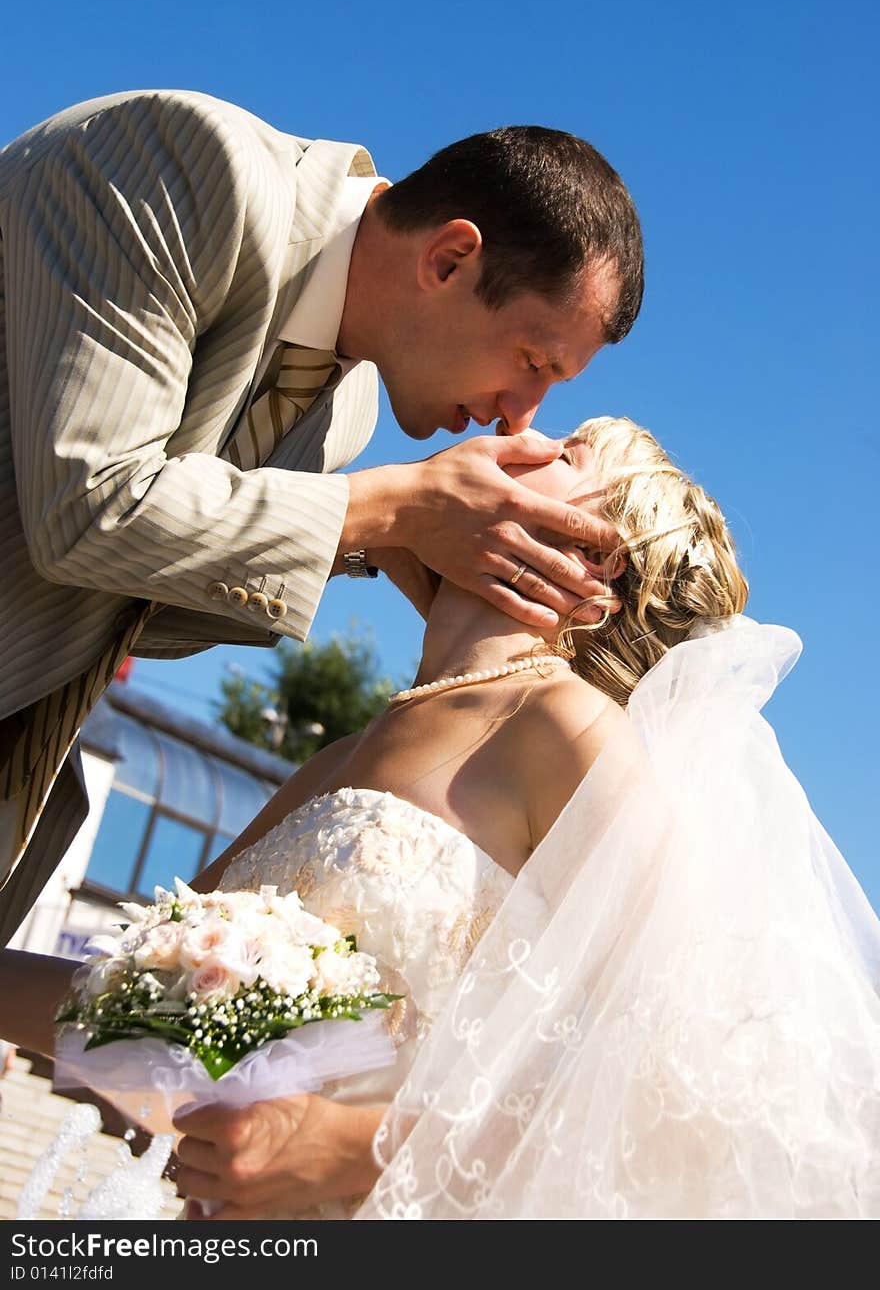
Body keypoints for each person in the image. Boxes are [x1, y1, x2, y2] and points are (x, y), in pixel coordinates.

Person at [3, 416, 877, 1220]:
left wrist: (354, 1152)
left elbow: (681, 1087)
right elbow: (126, 1012)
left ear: (591, 564)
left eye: (565, 453)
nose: (517, 432)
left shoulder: (565, 728)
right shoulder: (335, 760)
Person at [0, 91, 644, 945]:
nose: (519, 415)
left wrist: (384, 540)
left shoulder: (347, 415)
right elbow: (90, 508)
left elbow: (142, 612)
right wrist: (396, 506)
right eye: (532, 360)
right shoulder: (184, 168)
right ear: (451, 259)